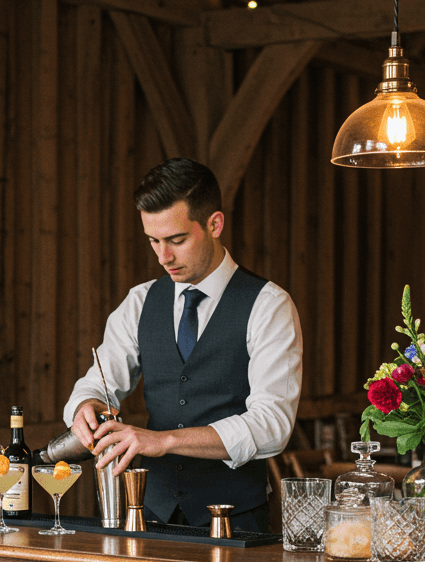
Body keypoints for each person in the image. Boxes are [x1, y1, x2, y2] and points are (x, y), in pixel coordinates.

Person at [64, 158, 302, 533]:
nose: (163, 257)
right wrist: (86, 406)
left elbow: (273, 425)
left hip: (235, 520)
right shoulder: (140, 302)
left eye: (176, 240)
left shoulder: (268, 305)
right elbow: (98, 382)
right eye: (154, 241)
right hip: (147, 513)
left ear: (214, 224)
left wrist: (165, 441)